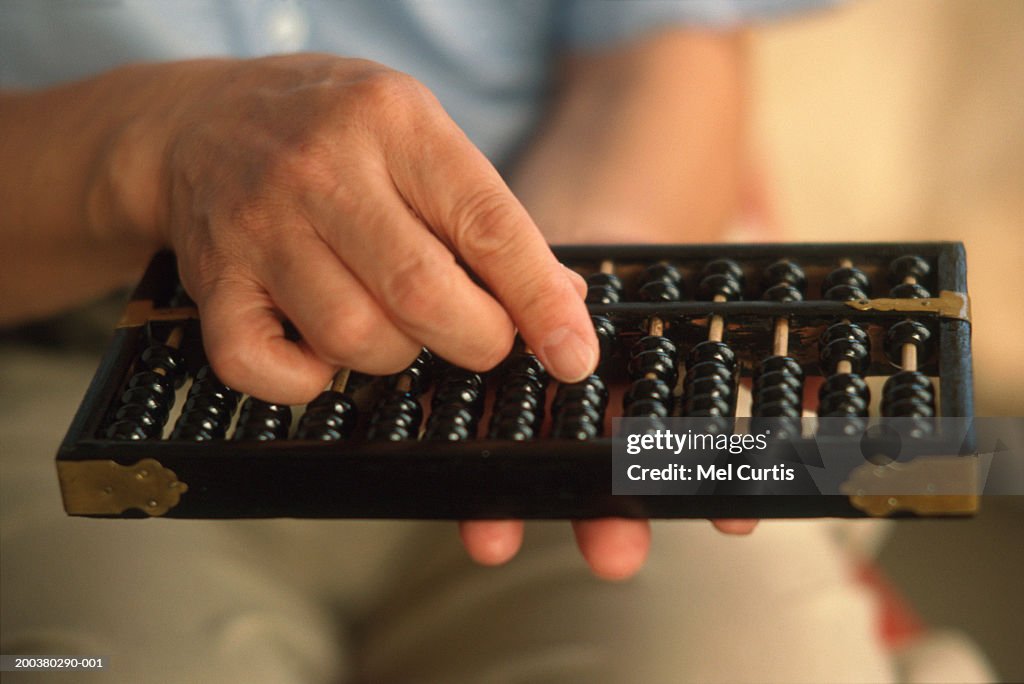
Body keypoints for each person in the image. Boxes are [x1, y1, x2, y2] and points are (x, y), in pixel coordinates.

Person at [1, 2, 969, 682]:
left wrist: (598, 289)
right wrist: (137, 146)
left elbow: (656, 51)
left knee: (740, 661)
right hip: (86, 349)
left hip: (538, 314)